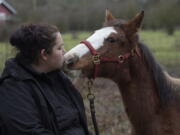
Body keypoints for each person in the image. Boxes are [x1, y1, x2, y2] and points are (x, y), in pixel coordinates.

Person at [0, 24, 90, 135]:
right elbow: (28, 131)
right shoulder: (13, 89)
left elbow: (76, 122)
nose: (64, 51)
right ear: (44, 54)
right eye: (59, 48)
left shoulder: (58, 77)